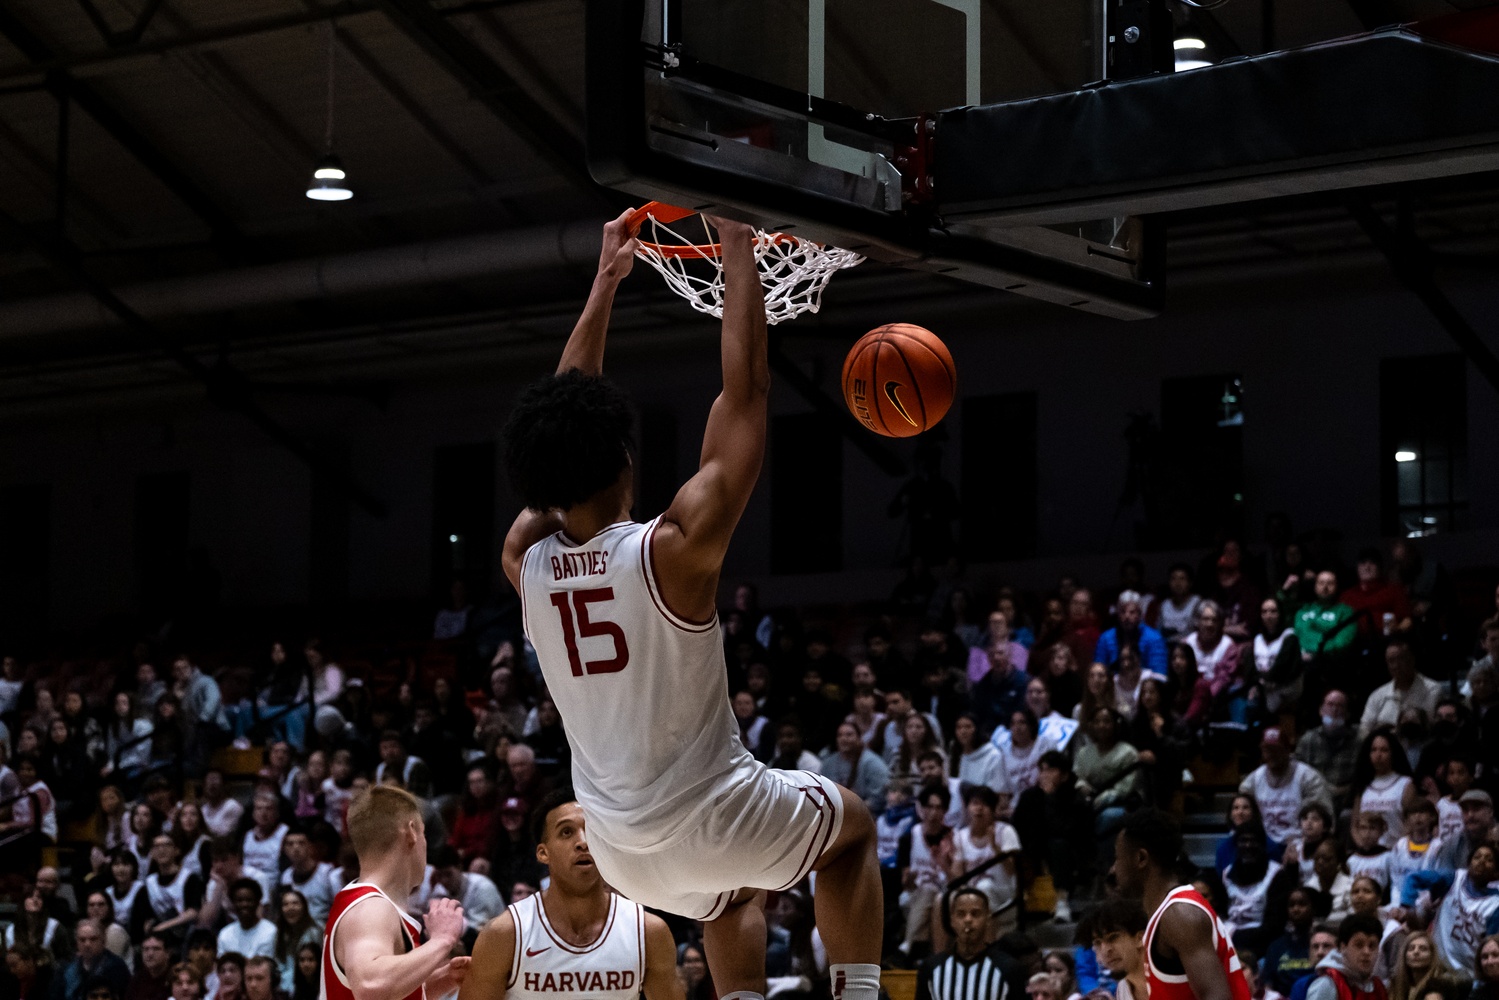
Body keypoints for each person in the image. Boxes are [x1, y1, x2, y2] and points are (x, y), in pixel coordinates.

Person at [499, 212, 882, 1000]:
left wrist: (605, 281)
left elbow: (563, 427)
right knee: (851, 833)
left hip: (620, 852)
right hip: (711, 813)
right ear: (624, 459)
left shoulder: (524, 566)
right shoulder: (669, 551)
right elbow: (745, 395)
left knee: (734, 890)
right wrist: (736, 244)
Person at [459, 789, 680, 1000]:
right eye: (566, 832)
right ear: (543, 853)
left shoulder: (648, 932)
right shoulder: (505, 934)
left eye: (592, 831)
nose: (583, 842)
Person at [322, 786, 470, 1000]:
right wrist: (443, 940)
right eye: (424, 834)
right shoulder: (372, 907)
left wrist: (445, 979)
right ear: (411, 832)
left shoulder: (365, 903)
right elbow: (370, 985)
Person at [1111, 808, 1252, 1000]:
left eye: (1118, 858)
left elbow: (1217, 996)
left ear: (1141, 859)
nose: (1114, 869)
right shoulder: (1168, 914)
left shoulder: (1180, 915)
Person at [1396, 845, 1499, 973]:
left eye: (1489, 859)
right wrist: (1407, 905)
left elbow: (1492, 946)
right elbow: (1413, 877)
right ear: (1468, 864)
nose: (1482, 861)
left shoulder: (1495, 904)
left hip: (1470, 973)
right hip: (1437, 964)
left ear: (1496, 872)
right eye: (1477, 857)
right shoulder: (1453, 879)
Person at [1240, 729, 1334, 848]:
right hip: (1264, 843)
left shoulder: (1308, 777)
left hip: (1302, 841)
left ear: (1287, 751)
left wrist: (1301, 842)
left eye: (1275, 750)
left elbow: (1324, 819)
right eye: (1267, 751)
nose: (1271, 755)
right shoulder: (1253, 780)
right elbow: (1240, 814)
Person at [914, 887, 1012, 1000]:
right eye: (961, 914)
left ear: (988, 919)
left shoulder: (1008, 968)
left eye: (975, 914)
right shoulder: (930, 968)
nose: (968, 920)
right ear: (952, 920)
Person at [950, 787, 1022, 935]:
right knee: (943, 899)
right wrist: (943, 863)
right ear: (967, 807)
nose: (979, 809)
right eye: (975, 803)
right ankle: (941, 954)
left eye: (985, 805)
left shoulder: (1006, 831)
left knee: (984, 887)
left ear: (994, 810)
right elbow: (957, 878)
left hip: (1005, 896)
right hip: (972, 895)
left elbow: (1012, 870)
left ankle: (985, 948)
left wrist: (996, 848)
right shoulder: (960, 836)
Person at [897, 783, 956, 959]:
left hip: (945, 891)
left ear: (945, 811)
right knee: (925, 893)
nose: (933, 812)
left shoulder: (954, 837)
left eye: (938, 808)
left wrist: (944, 862)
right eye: (929, 807)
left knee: (931, 894)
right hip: (915, 892)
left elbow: (956, 878)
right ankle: (921, 956)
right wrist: (910, 879)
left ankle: (908, 947)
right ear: (921, 809)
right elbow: (906, 884)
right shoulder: (908, 838)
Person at [1361, 640, 1443, 738]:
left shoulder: (1432, 689)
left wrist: (1387, 730)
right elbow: (1364, 729)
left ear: (1412, 659)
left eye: (1401, 659)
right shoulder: (1378, 695)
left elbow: (1427, 726)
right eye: (1391, 661)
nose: (1396, 665)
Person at [1351, 730, 1416, 849]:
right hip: (1369, 852)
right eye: (1374, 750)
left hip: (1396, 849)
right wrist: (1364, 846)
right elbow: (1355, 825)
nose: (1378, 755)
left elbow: (1411, 823)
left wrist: (1399, 847)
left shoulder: (1405, 784)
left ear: (1393, 753)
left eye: (1384, 750)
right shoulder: (1363, 785)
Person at [1294, 692, 1360, 810]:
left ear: (1348, 713)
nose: (1334, 709)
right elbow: (1296, 775)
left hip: (1347, 804)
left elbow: (1365, 778)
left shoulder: (1358, 741)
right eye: (1330, 704)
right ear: (1321, 710)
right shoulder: (1308, 740)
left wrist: (1344, 790)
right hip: (1314, 803)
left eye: (1340, 706)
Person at [429, 847, 504, 944]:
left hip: (494, 942)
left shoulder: (482, 887)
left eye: (448, 874)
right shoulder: (439, 891)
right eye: (439, 876)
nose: (444, 880)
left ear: (460, 868)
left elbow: (477, 931)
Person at [1080, 899, 1148, 1000]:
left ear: (1140, 938)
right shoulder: (1122, 990)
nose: (1105, 950)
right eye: (1098, 943)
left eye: (1113, 937)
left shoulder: (1172, 975)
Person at [1304, 915, 1385, 1000]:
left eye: (1372, 946)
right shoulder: (1327, 984)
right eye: (1359, 945)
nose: (1366, 952)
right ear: (1343, 947)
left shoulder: (1378, 986)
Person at [820, 721, 891, 817]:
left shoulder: (872, 763)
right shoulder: (829, 764)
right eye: (840, 735)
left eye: (849, 735)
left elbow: (879, 798)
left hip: (867, 816)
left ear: (859, 738)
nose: (843, 739)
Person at [50, 920, 130, 1000]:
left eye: (93, 939)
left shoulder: (116, 967)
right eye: (82, 940)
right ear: (76, 943)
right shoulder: (66, 968)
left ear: (103, 941)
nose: (87, 944)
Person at [1098, 593, 1169, 677]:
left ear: (1140, 615)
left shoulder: (1155, 639)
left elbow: (1159, 675)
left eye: (1132, 612)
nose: (1127, 616)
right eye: (1123, 612)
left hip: (1145, 686)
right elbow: (1099, 670)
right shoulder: (1105, 638)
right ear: (1118, 615)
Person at [1293, 573, 1357, 664]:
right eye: (1321, 583)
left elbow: (1342, 642)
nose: (1325, 587)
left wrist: (1315, 654)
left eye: (1330, 583)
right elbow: (1296, 636)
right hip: (1299, 660)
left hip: (1327, 663)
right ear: (1315, 587)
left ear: (1337, 587)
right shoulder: (1303, 610)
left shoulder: (1345, 611)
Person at [278, 833, 334, 927]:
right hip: (298, 931)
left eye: (301, 843)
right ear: (284, 850)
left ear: (310, 847)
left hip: (324, 928)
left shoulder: (327, 873)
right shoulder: (286, 876)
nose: (296, 848)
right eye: (290, 844)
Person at [1387, 931, 1461, 1000]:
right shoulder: (1397, 984)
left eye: (1423, 949)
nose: (1416, 952)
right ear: (1404, 955)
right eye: (1411, 948)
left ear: (1432, 956)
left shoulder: (1440, 988)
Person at [271, 891, 318, 996]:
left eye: (295, 903)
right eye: (285, 904)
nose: (290, 908)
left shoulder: (313, 934)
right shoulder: (280, 934)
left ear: (304, 907)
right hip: (284, 989)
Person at [216, 880, 277, 960]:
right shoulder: (225, 934)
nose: (244, 904)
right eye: (239, 901)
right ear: (233, 903)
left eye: (249, 900)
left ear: (257, 902)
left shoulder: (271, 931)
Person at [1286, 926, 1339, 1000]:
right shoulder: (1301, 985)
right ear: (1309, 954)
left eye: (1327, 946)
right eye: (1315, 947)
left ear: (1339, 951)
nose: (1320, 952)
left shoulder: (1349, 982)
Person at [126, 935, 174, 1000]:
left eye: (156, 949)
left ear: (168, 953)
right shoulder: (137, 980)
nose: (150, 954)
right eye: (146, 949)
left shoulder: (176, 979)